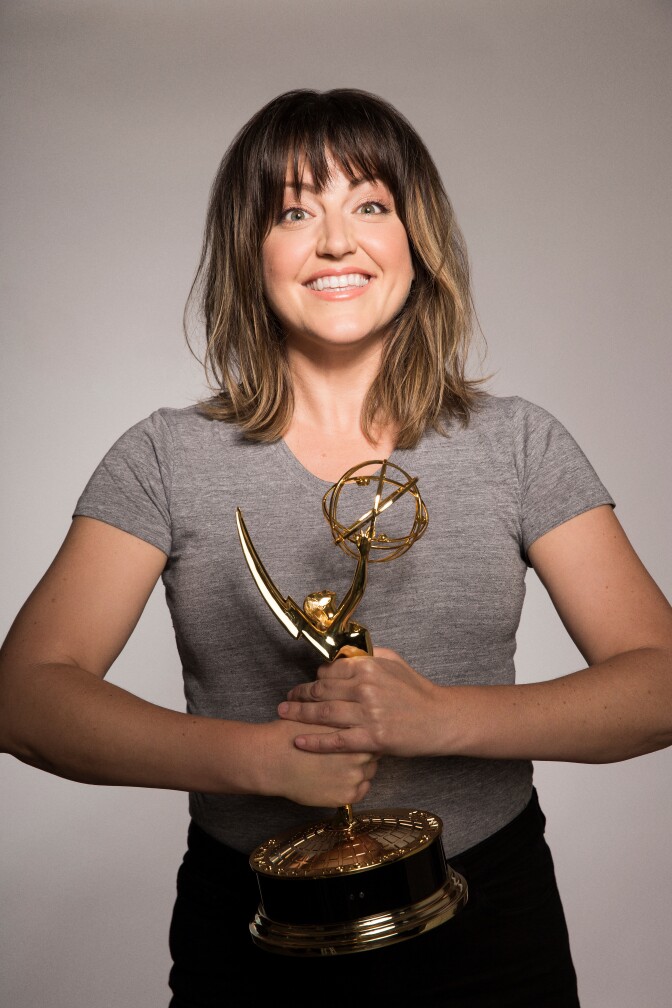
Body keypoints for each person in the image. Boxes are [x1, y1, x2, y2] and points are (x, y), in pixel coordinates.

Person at [1, 88, 671, 1007]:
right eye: (293, 211)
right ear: (252, 251)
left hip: (488, 921)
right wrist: (257, 760)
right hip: (250, 925)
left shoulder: (518, 444)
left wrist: (443, 720)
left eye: (369, 205)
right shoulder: (165, 457)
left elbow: (660, 682)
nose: (335, 242)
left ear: (414, 237)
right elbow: (24, 697)